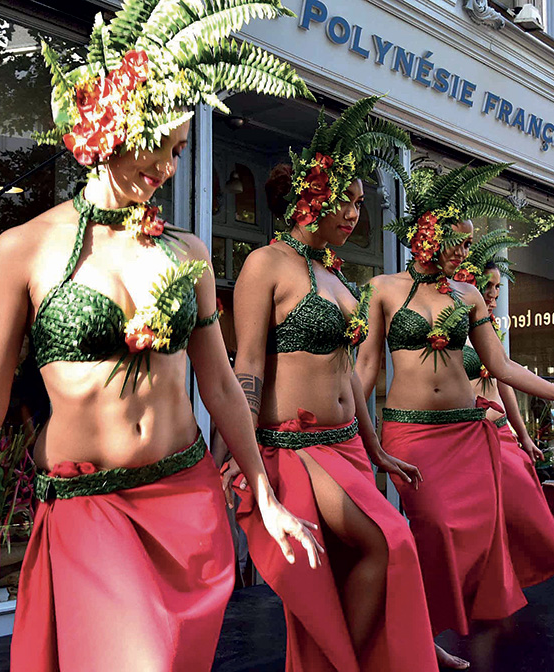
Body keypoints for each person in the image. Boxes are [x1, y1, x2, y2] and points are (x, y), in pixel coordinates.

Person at [0, 3, 323, 670]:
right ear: (109, 125)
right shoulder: (25, 250)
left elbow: (217, 383)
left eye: (179, 150)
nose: (164, 166)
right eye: (155, 143)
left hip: (185, 503)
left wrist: (264, 495)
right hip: (90, 514)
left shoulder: (187, 250)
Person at [220, 96, 439, 671]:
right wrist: (237, 457)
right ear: (310, 198)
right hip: (300, 448)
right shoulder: (264, 265)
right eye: (348, 202)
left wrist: (376, 451)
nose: (355, 216)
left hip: (347, 446)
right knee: (387, 542)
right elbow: (247, 366)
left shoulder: (335, 274)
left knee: (356, 562)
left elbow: (346, 374)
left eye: (361, 205)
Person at [356, 164, 554, 668]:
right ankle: (417, 632)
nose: (464, 253)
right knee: (436, 529)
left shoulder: (469, 295)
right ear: (425, 235)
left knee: (473, 542)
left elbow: (501, 365)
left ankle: (432, 635)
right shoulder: (384, 289)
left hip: (466, 432)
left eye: (467, 242)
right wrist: (359, 437)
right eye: (455, 241)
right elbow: (366, 368)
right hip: (411, 435)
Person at [455, 234, 554, 588]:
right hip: (470, 435)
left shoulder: (489, 329)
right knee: (483, 513)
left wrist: (523, 435)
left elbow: (504, 378)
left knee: (522, 504)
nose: (494, 294)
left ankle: (510, 575)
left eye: (497, 287)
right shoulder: (453, 329)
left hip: (502, 431)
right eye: (489, 286)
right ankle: (485, 580)